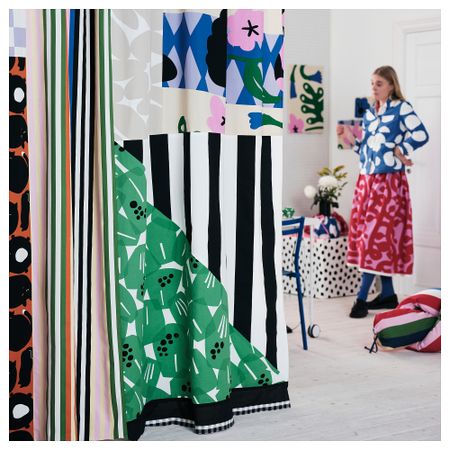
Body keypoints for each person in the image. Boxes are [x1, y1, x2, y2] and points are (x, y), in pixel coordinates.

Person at [337, 66, 429, 318]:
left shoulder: (402, 108)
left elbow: (422, 134)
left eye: (379, 83)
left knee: (373, 237)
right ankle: (388, 294)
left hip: (388, 182)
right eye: (372, 83)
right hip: (366, 181)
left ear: (391, 85)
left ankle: (360, 299)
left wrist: (402, 149)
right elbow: (367, 150)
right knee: (375, 237)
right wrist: (349, 139)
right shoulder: (370, 113)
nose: (374, 87)